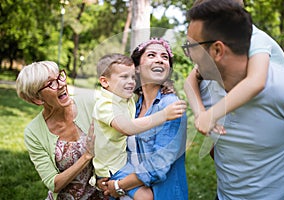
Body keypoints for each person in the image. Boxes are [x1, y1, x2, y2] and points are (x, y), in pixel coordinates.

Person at [184, 0, 284, 199]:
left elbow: (256, 82)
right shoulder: (206, 87)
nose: (188, 55)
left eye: (191, 47)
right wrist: (203, 116)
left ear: (218, 50)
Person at [184, 0, 284, 136]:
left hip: (275, 104)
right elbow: (190, 81)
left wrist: (212, 114)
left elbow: (255, 81)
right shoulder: (216, 46)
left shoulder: (254, 37)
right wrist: (201, 114)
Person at [99, 38, 188, 200]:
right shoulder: (134, 106)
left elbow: (158, 164)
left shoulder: (170, 106)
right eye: (152, 55)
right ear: (137, 68)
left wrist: (119, 185)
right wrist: (105, 177)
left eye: (165, 57)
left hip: (162, 195)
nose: (160, 59)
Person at [16, 61, 103, 200]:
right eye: (51, 83)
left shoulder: (90, 103)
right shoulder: (33, 132)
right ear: (38, 99)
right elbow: (53, 183)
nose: (61, 84)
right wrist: (87, 155)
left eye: (59, 77)